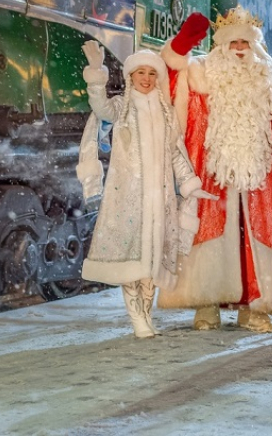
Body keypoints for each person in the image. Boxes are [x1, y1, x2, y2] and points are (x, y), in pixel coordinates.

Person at [156, 8, 272, 333]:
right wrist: (179, 47)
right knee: (206, 232)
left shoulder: (271, 76)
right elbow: (169, 77)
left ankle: (255, 306)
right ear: (220, 45)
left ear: (254, 46)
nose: (238, 48)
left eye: (244, 43)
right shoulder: (202, 70)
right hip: (211, 170)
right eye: (232, 42)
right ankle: (206, 303)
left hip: (256, 174)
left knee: (256, 236)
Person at [77, 42, 216, 338]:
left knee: (153, 261)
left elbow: (177, 154)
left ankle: (146, 312)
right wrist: (96, 73)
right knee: (133, 257)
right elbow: (99, 105)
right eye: (140, 72)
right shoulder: (122, 107)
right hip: (129, 199)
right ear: (130, 76)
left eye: (151, 73)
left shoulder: (165, 114)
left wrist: (190, 185)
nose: (146, 78)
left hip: (160, 200)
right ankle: (136, 316)